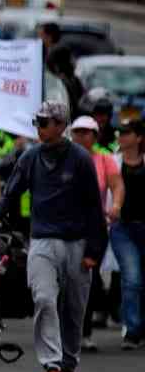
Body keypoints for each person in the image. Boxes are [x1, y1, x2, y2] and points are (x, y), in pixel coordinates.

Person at [0, 100, 106, 372]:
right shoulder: (30, 157)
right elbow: (9, 196)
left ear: (62, 126)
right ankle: (52, 365)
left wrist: (93, 253)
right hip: (43, 240)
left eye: (45, 122)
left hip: (77, 242)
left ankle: (68, 368)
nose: (39, 128)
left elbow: (94, 210)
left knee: (74, 309)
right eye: (37, 122)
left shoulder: (81, 160)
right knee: (44, 298)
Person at [70, 115, 124, 352]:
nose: (82, 137)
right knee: (67, 281)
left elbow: (117, 185)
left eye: (87, 132)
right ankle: (66, 329)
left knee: (87, 278)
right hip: (66, 228)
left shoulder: (104, 161)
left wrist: (116, 206)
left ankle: (84, 333)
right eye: (77, 132)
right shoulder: (63, 159)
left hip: (94, 229)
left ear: (95, 136)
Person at [110, 119, 144, 348]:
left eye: (127, 132)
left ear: (139, 137)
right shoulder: (112, 162)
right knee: (132, 278)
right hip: (122, 228)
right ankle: (132, 331)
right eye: (119, 132)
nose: (121, 136)